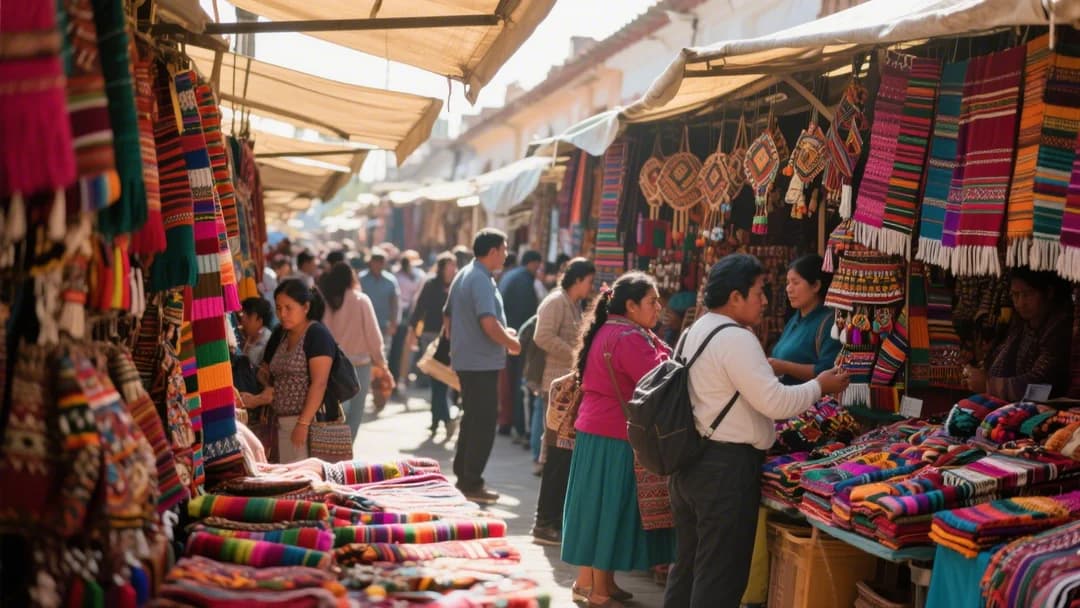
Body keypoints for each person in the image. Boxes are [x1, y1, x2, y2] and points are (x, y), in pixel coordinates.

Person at [664, 254, 849, 607]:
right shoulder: (736, 337)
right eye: (759, 291)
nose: (765, 300)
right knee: (719, 577)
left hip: (690, 462)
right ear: (735, 297)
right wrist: (819, 386)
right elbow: (775, 402)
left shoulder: (695, 329)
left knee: (687, 568)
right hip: (724, 468)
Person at [562, 271, 674, 608]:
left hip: (597, 432)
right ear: (630, 305)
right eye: (652, 302)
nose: (658, 308)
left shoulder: (609, 330)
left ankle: (592, 583)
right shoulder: (628, 337)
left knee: (596, 507)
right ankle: (598, 593)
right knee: (608, 510)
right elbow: (658, 378)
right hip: (615, 435)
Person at [444, 228, 520, 505]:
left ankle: (465, 476)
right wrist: (511, 342)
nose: (507, 254)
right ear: (493, 251)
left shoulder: (467, 274)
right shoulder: (479, 278)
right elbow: (488, 323)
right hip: (479, 363)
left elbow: (448, 317)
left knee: (472, 419)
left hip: (470, 360)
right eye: (505, 248)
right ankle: (471, 480)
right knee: (484, 422)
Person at [530, 257, 595, 546]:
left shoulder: (573, 305)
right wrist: (574, 353)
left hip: (568, 389)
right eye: (589, 281)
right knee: (556, 453)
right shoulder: (556, 302)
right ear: (579, 279)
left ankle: (552, 519)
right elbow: (541, 336)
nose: (590, 286)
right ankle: (544, 522)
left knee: (561, 453)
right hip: (555, 388)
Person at [256, 279, 337, 464]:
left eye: (288, 308)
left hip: (308, 424)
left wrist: (303, 424)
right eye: (278, 308)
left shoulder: (317, 334)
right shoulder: (280, 334)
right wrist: (266, 383)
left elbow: (319, 383)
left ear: (305, 307)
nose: (282, 314)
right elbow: (266, 370)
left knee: (303, 482)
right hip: (278, 423)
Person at [964, 268, 1073, 401]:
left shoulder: (1060, 327)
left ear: (1049, 292)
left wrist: (988, 384)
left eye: (1028, 294)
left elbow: (1042, 384)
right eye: (1015, 295)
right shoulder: (1021, 325)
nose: (1021, 303)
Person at [321, 262, 390, 440]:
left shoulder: (327, 303)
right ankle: (347, 450)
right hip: (360, 366)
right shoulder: (361, 300)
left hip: (334, 366)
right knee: (356, 412)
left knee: (340, 410)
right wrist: (381, 362)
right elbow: (373, 335)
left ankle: (337, 448)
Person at [768, 254, 842, 385]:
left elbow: (829, 371)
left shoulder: (829, 323)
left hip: (812, 402)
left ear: (816, 286)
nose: (788, 289)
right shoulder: (794, 320)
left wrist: (786, 367)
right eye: (787, 283)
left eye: (795, 283)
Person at [410, 252, 458, 436]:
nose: (452, 269)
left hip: (449, 337)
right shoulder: (431, 285)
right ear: (441, 268)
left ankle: (438, 420)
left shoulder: (457, 285)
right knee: (436, 378)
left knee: (441, 379)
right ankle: (442, 419)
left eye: (454, 266)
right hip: (431, 335)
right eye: (449, 266)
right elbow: (420, 308)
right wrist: (414, 332)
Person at [499, 249, 543, 440]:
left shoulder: (511, 276)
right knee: (519, 383)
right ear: (533, 263)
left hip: (508, 335)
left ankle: (509, 424)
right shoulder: (524, 281)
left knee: (510, 381)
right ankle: (519, 426)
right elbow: (529, 314)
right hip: (518, 339)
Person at [360, 248, 401, 406]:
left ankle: (379, 394)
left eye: (381, 262)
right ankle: (365, 391)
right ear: (370, 263)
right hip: (364, 328)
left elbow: (395, 303)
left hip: (383, 327)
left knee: (382, 361)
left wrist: (394, 323)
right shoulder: (362, 279)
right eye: (375, 262)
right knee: (365, 360)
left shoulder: (390, 281)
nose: (378, 265)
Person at [392, 251, 426, 387]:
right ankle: (400, 377)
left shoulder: (417, 276)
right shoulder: (399, 275)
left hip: (410, 314)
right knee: (402, 347)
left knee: (405, 347)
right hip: (405, 313)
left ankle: (402, 377)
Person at [238, 297, 274, 367]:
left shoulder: (267, 341)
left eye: (242, 315)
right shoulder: (250, 337)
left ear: (255, 317)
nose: (241, 320)